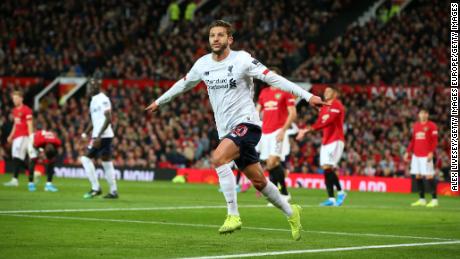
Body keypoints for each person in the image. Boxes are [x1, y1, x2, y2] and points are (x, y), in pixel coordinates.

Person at [146, 20, 327, 240]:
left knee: (219, 158)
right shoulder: (203, 64)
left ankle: (233, 214)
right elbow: (183, 83)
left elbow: (274, 78)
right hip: (226, 130)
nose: (215, 39)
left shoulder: (242, 59)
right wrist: (159, 101)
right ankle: (292, 212)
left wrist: (307, 97)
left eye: (221, 35)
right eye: (212, 35)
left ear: (230, 39)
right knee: (259, 181)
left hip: (247, 124)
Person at [297, 86, 346, 206]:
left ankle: (340, 192)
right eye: (325, 91)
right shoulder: (324, 107)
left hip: (336, 139)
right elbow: (319, 122)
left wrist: (308, 130)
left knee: (328, 166)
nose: (326, 93)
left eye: (329, 91)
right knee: (326, 168)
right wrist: (307, 129)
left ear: (335, 93)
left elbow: (328, 121)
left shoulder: (337, 105)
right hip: (326, 141)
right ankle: (331, 199)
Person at [256, 69, 297, 206]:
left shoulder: (285, 91)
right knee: (270, 164)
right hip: (265, 133)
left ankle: (284, 193)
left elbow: (293, 113)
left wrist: (283, 130)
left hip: (278, 131)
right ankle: (279, 195)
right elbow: (257, 111)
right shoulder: (264, 93)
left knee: (273, 162)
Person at [80, 78, 119, 199]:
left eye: (93, 85)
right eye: (89, 86)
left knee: (85, 159)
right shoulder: (93, 101)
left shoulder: (103, 99)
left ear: (98, 87)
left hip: (102, 136)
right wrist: (86, 133)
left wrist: (99, 135)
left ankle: (95, 188)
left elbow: (108, 119)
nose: (90, 88)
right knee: (106, 162)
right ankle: (113, 191)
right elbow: (94, 121)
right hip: (101, 135)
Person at [405, 109, 438, 207]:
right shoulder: (416, 126)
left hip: (426, 155)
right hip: (416, 155)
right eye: (421, 113)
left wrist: (431, 152)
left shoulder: (432, 125)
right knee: (418, 176)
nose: (422, 115)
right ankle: (422, 199)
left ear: (427, 115)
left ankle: (434, 200)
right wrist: (408, 152)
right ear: (419, 115)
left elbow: (434, 141)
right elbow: (413, 140)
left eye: (424, 113)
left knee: (429, 176)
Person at [4, 91, 34, 187]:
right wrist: (11, 135)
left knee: (17, 157)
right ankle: (32, 171)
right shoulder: (15, 110)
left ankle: (15, 180)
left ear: (22, 98)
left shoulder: (27, 110)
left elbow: (30, 125)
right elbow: (15, 124)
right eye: (13, 99)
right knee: (16, 158)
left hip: (24, 136)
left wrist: (31, 138)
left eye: (16, 98)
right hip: (17, 136)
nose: (14, 100)